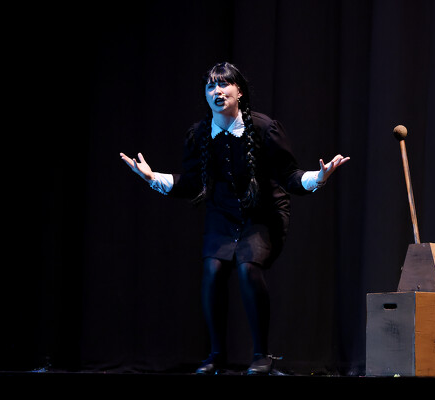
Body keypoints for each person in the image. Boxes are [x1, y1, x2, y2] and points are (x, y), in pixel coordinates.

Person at [120, 62, 349, 375]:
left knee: (247, 268)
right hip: (222, 214)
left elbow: (289, 176)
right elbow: (191, 184)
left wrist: (318, 177)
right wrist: (152, 177)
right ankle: (215, 355)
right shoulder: (200, 134)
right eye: (211, 86)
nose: (217, 91)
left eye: (224, 84)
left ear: (239, 91)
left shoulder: (265, 129)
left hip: (264, 213)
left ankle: (262, 355)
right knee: (212, 270)